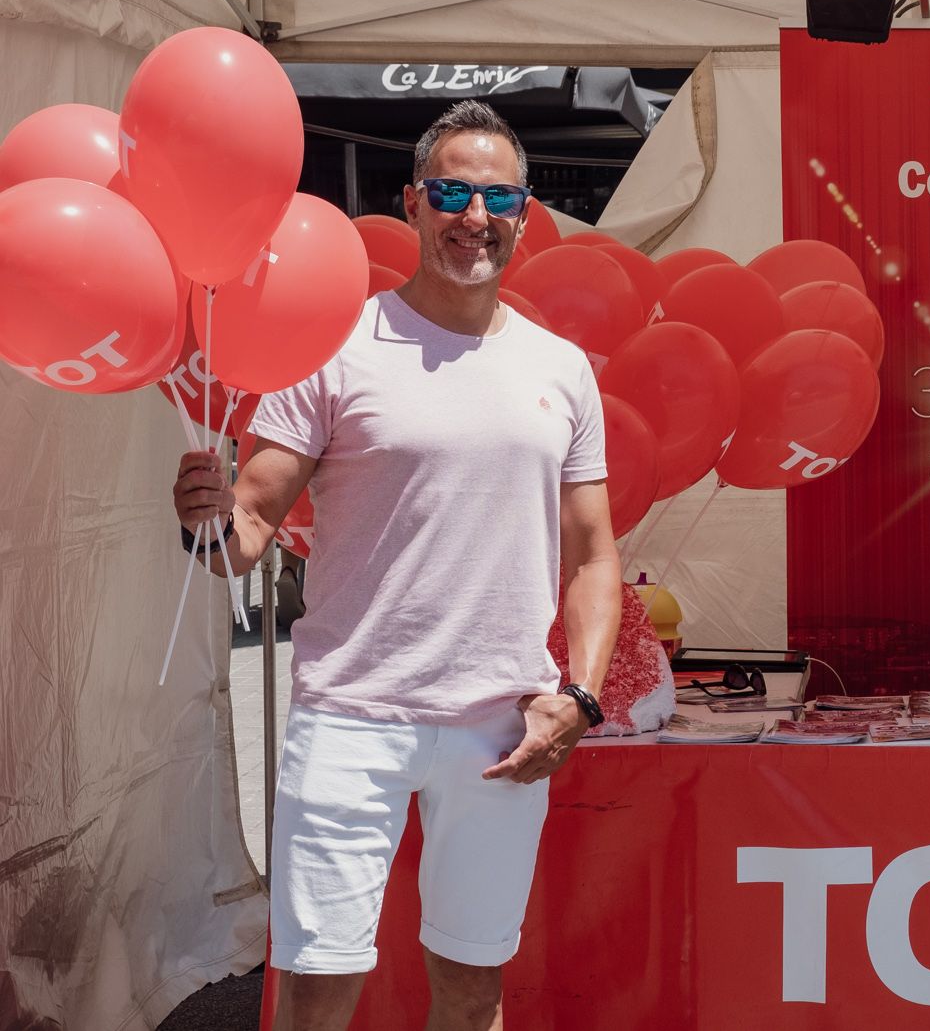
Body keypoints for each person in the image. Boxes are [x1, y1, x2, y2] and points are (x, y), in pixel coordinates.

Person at [172, 100, 622, 1030]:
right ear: (414, 203)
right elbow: (250, 516)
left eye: (498, 196)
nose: (475, 216)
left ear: (526, 215)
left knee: (471, 989)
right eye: (452, 191)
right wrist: (208, 525)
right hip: (350, 718)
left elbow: (592, 557)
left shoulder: (563, 368)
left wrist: (577, 697)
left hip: (503, 728)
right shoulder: (333, 345)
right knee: (318, 990)